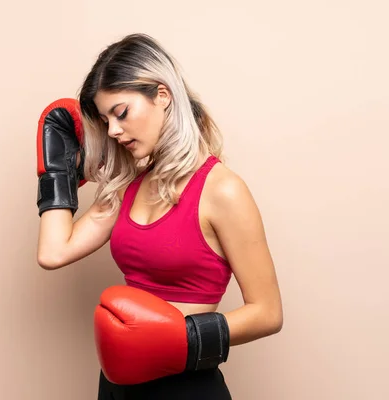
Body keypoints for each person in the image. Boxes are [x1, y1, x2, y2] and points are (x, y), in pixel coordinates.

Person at [36, 33, 283, 400]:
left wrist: (179, 339)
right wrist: (56, 172)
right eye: (105, 121)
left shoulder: (222, 191)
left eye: (121, 113)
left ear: (162, 96)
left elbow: (268, 313)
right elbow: (53, 253)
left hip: (185, 386)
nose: (114, 131)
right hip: (118, 382)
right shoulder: (128, 184)